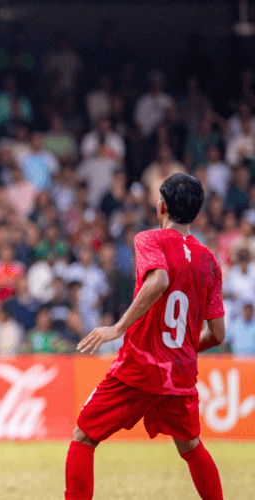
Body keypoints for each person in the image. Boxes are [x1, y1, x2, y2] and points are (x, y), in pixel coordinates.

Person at [65, 173, 225, 500]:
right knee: (191, 447)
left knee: (83, 437)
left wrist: (118, 328)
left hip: (139, 367)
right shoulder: (210, 262)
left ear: (161, 207)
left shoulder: (150, 240)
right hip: (179, 374)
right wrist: (182, 349)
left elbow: (160, 280)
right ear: (196, 213)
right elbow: (218, 334)